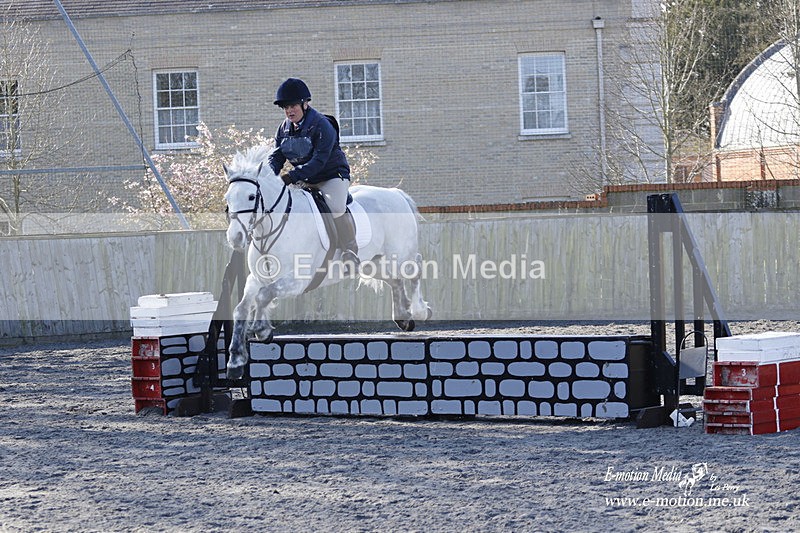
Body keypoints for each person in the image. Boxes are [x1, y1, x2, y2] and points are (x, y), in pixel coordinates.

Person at [268, 77, 360, 271]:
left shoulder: (322, 125)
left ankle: (350, 250)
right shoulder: (283, 129)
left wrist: (291, 176)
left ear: (305, 104)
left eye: (293, 106)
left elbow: (319, 161)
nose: (289, 111)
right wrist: (269, 177)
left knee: (335, 206)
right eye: (285, 107)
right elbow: (277, 157)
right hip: (304, 178)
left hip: (332, 175)